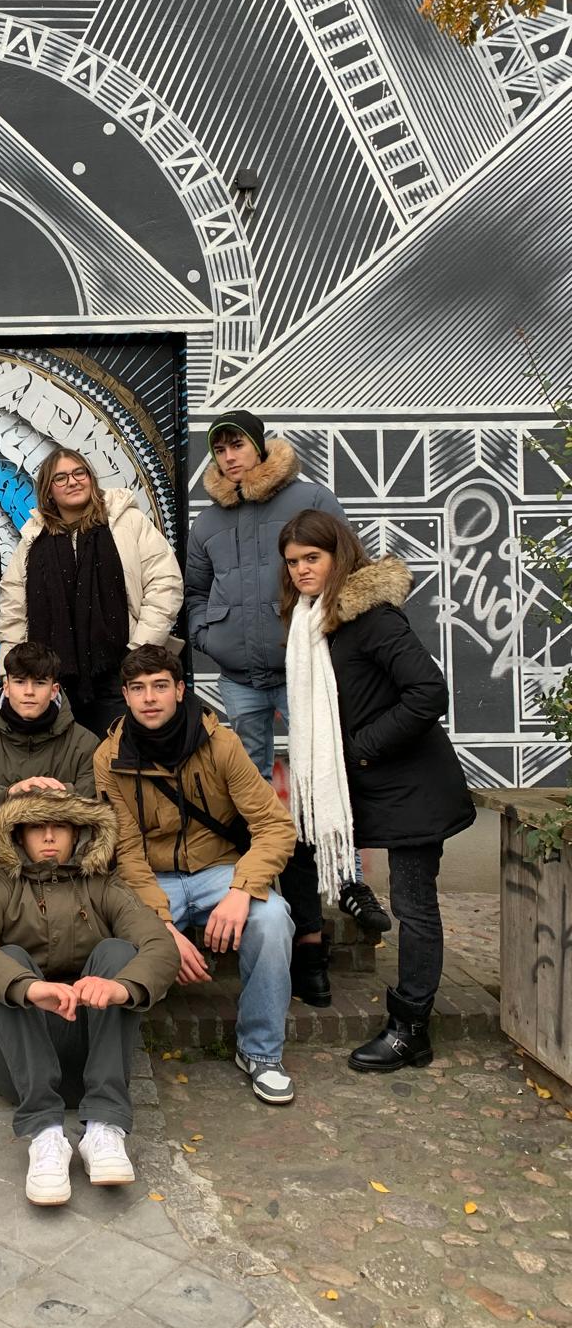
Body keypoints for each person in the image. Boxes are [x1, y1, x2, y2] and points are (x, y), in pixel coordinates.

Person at [184, 410, 389, 1005]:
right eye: (219, 448)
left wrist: (329, 632)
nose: (229, 456)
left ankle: (344, 875)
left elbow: (348, 568)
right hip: (241, 673)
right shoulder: (208, 522)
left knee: (321, 773)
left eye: (238, 445)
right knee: (243, 777)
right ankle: (255, 874)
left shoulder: (310, 497)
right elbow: (196, 590)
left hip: (302, 666)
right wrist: (206, 634)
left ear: (260, 446)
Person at [278, 512, 475, 1074]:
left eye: (311, 559)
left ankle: (412, 1028)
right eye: (292, 562)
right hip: (364, 785)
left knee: (415, 907)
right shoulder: (314, 622)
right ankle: (310, 961)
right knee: (299, 847)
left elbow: (427, 692)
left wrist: (359, 748)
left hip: (413, 786)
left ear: (338, 556)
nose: (301, 571)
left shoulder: (374, 619)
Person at [0, 791, 179, 1206]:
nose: (50, 836)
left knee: (119, 954)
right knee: (7, 960)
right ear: (20, 834)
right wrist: (28, 987)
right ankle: (45, 1133)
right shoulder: (1, 880)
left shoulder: (103, 883)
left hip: (92, 1045)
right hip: (18, 1065)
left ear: (79, 834)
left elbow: (160, 947)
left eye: (61, 827)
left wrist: (119, 987)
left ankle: (105, 1128)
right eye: (38, 826)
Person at [93, 644, 298, 1105]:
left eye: (161, 686)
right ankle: (110, 1065)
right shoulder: (109, 757)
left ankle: (261, 1053)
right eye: (139, 689)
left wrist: (242, 890)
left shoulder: (220, 743)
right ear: (125, 695)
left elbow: (274, 826)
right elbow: (125, 851)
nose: (150, 698)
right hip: (153, 877)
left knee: (273, 919)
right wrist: (161, 925)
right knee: (117, 943)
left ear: (181, 691)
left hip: (218, 871)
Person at [0, 446, 183, 738]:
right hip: (52, 680)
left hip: (120, 672)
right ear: (48, 491)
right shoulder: (33, 541)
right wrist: (11, 673)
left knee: (120, 755)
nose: (72, 481)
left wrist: (137, 652)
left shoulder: (127, 523)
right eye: (60, 478)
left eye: (78, 472)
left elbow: (165, 585)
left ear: (91, 479)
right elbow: (12, 612)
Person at [0, 641, 98, 892]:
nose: (29, 691)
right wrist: (12, 792)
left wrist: (36, 794)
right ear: (6, 686)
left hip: (64, 856)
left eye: (40, 683)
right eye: (20, 682)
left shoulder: (85, 742)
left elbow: (92, 808)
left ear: (55, 689)